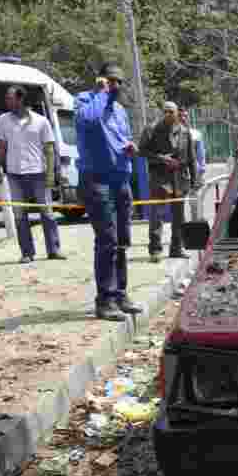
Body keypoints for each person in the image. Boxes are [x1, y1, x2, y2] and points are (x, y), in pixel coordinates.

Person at [75, 63, 141, 321]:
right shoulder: (85, 100)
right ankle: (104, 300)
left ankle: (120, 294)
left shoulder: (121, 110)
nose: (116, 86)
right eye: (111, 80)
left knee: (123, 239)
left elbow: (121, 136)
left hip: (120, 179)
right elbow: (88, 121)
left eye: (119, 82)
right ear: (101, 80)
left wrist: (129, 146)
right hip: (96, 180)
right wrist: (102, 93)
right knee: (107, 240)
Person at [0, 85, 65, 264]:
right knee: (19, 214)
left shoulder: (41, 121)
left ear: (20, 100)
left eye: (10, 98)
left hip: (38, 173)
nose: (7, 101)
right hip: (14, 174)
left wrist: (51, 175)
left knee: (47, 213)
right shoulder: (3, 120)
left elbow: (50, 150)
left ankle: (54, 250)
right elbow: (2, 146)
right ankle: (27, 253)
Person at [140, 101, 198, 262]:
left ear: (176, 113)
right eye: (165, 111)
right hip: (160, 178)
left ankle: (176, 249)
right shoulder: (151, 129)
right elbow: (142, 151)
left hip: (179, 179)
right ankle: (155, 250)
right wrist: (161, 158)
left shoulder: (185, 132)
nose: (168, 114)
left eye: (171, 112)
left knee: (179, 216)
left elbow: (192, 159)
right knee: (156, 214)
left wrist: (195, 182)